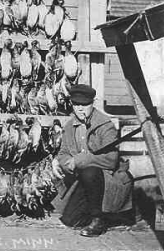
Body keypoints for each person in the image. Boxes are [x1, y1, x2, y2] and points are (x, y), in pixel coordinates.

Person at [51, 84, 134, 237]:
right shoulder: (70, 127)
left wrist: (79, 160)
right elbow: (63, 153)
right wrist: (67, 163)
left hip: (106, 178)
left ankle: (98, 219)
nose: (80, 109)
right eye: (76, 104)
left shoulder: (104, 125)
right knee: (70, 221)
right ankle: (111, 218)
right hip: (81, 181)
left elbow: (111, 160)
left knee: (90, 172)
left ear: (92, 103)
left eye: (84, 104)